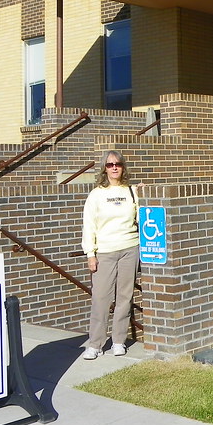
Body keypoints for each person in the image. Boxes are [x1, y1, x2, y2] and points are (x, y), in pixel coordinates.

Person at [81, 150, 143, 359]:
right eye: (110, 165)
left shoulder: (132, 191)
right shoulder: (97, 194)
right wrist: (91, 254)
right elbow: (89, 226)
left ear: (123, 167)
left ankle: (118, 341)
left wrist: (144, 192)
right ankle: (95, 344)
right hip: (105, 252)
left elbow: (142, 212)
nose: (114, 167)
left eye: (118, 164)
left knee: (125, 298)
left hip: (129, 249)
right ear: (104, 168)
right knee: (101, 299)